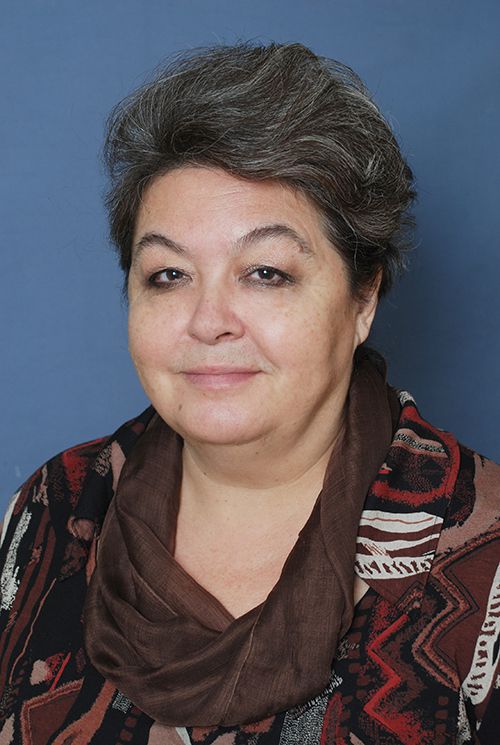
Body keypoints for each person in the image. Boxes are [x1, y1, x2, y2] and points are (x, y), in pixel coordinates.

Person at [0, 42, 498, 745]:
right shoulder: (53, 509)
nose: (209, 321)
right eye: (168, 275)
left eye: (265, 272)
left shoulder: (484, 555)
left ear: (362, 298)